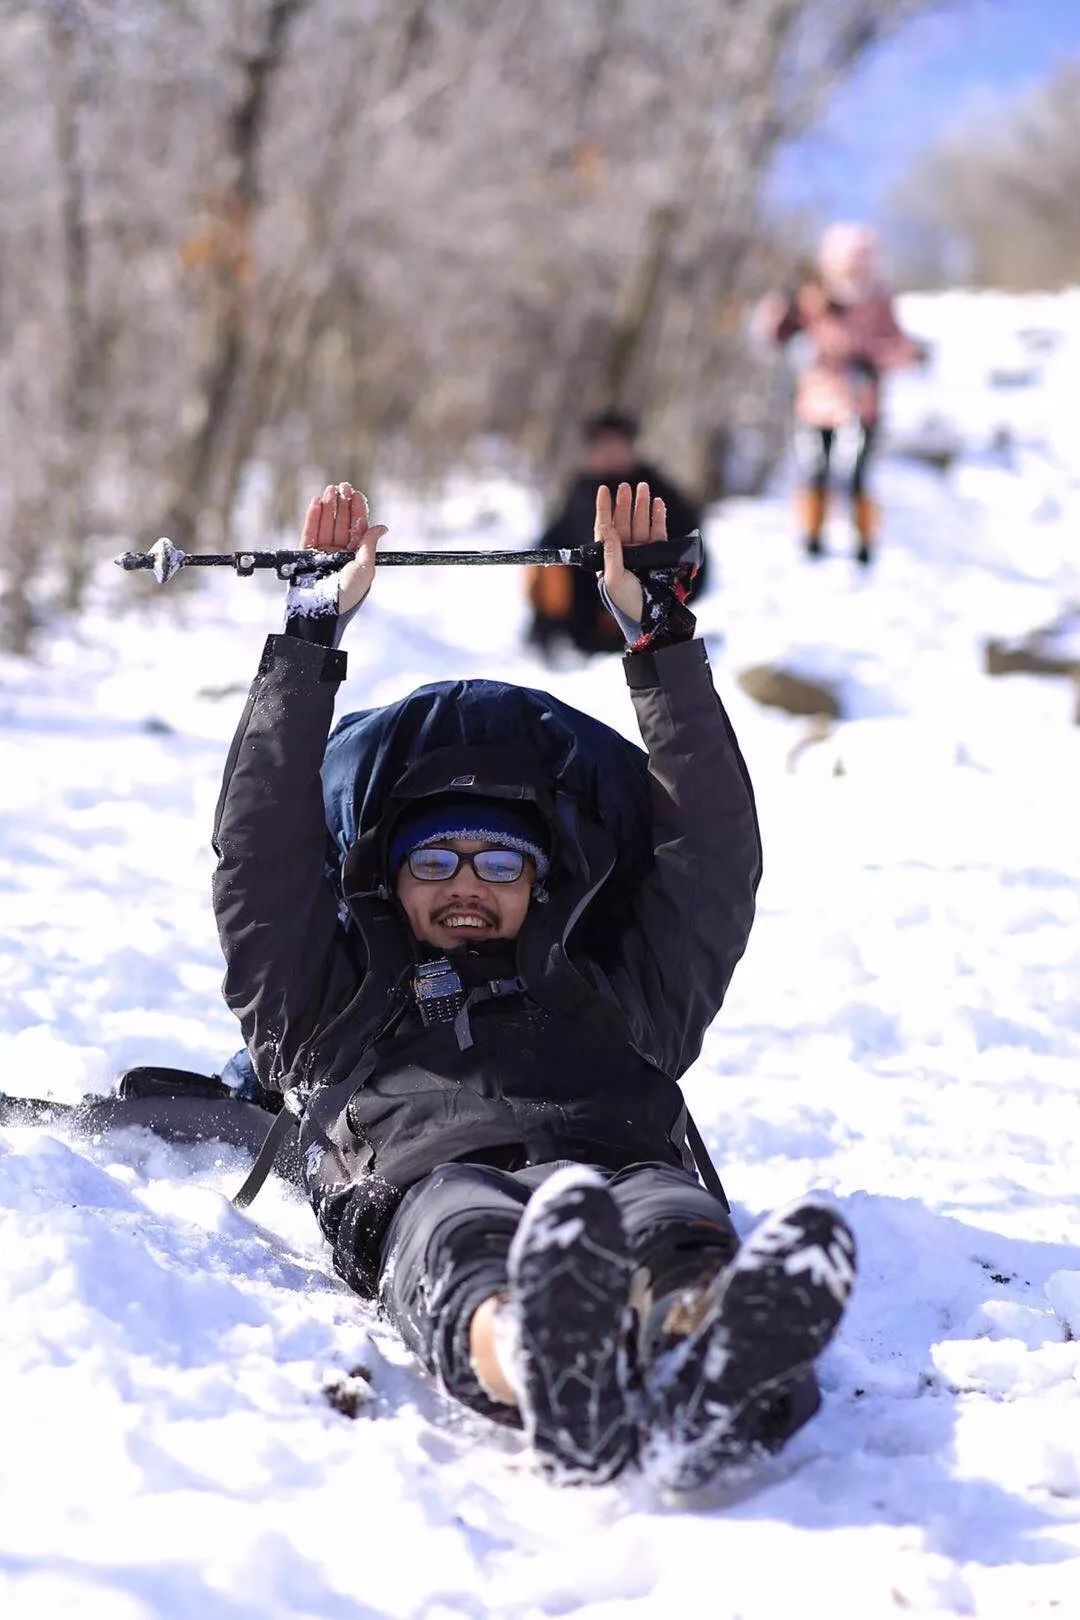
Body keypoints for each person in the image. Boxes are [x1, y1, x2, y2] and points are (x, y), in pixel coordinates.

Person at [212, 478, 856, 1489]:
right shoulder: (325, 1006)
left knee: (665, 1225)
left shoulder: (619, 990)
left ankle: (713, 1354)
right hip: (422, 1176)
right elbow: (260, 861)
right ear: (390, 876)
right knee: (468, 1240)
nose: (467, 886)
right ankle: (543, 1366)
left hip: (620, 1161)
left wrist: (661, 641)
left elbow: (712, 858)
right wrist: (308, 637)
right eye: (437, 862)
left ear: (540, 880)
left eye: (499, 863)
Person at [758, 224, 923, 565]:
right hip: (816, 402)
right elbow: (774, 333)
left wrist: (878, 359)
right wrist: (781, 310)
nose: (854, 273)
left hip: (863, 405)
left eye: (860, 263)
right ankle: (811, 537)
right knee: (814, 469)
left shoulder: (879, 300)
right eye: (847, 264)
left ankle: (864, 542)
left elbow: (897, 345)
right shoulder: (812, 297)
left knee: (857, 475)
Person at [526, 410, 705, 657]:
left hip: (644, 622)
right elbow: (554, 544)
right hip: (581, 624)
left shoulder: (659, 492)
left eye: (616, 445)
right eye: (602, 446)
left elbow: (692, 552)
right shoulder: (580, 492)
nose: (609, 453)